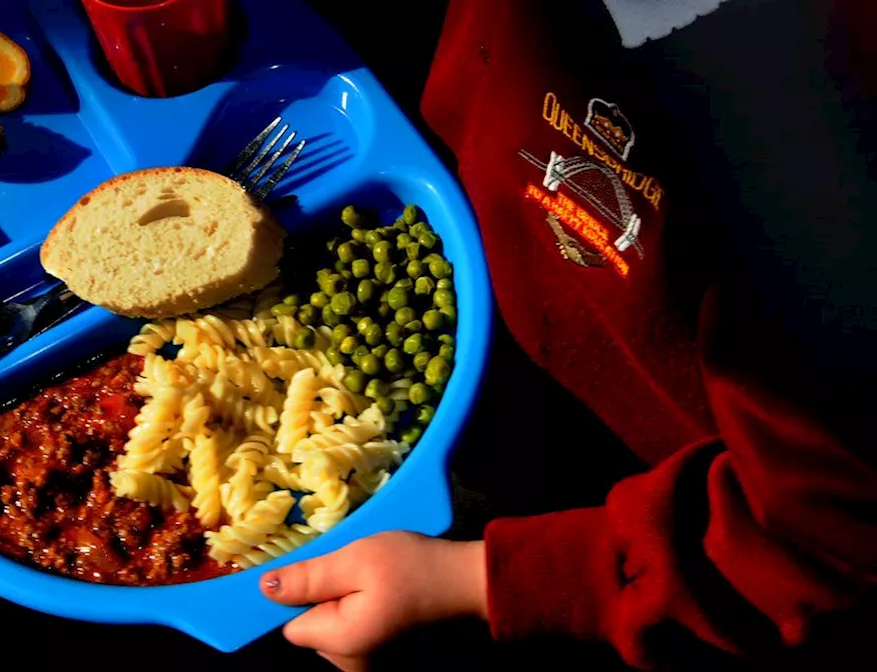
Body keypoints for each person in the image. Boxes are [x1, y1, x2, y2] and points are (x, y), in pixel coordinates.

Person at [260, 0, 876, 669]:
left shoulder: (827, 120)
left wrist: (486, 583)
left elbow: (828, 537)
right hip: (510, 315)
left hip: (671, 530)